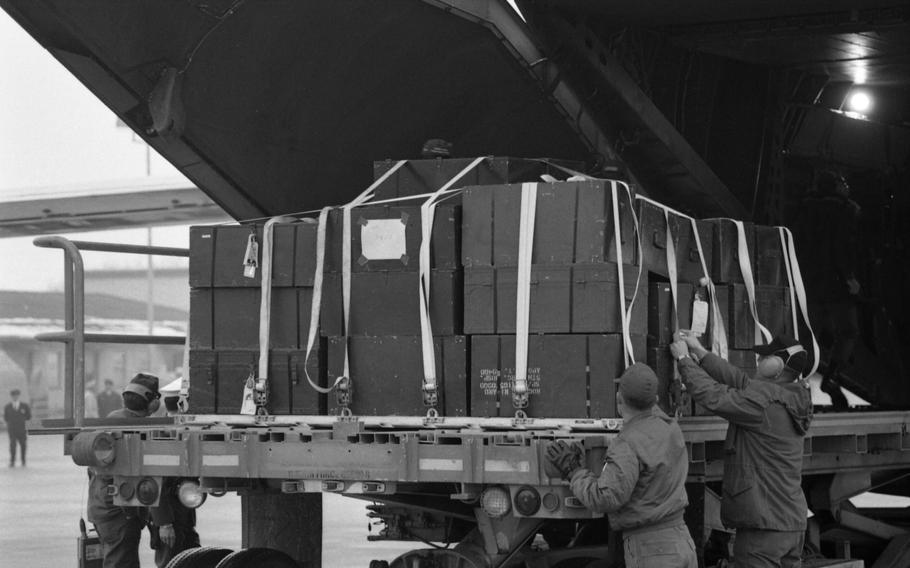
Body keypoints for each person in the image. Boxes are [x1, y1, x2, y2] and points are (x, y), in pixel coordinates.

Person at [671, 333, 812, 567]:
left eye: (764, 357)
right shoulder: (790, 396)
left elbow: (713, 395)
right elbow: (740, 380)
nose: (758, 360)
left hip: (765, 529)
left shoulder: (763, 406)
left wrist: (684, 359)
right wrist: (701, 353)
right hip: (789, 524)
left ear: (776, 365)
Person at [545, 363, 697, 567]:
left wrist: (574, 472)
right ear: (656, 400)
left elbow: (606, 498)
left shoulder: (627, 444)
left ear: (619, 400)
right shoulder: (671, 428)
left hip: (652, 551)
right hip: (682, 542)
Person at [798, 170, 861, 410]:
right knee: (848, 331)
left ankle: (798, 385)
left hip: (810, 284)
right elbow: (842, 247)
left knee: (807, 335)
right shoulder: (846, 211)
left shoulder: (805, 209)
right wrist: (849, 277)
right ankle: (832, 376)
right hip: (836, 285)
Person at [88, 373, 160, 568]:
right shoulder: (138, 427)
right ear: (152, 402)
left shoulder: (113, 419)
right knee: (121, 562)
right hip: (119, 511)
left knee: (121, 560)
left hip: (103, 506)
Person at [149, 379, 200, 567]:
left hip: (182, 513)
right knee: (169, 562)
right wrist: (164, 523)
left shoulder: (182, 431)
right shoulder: (159, 434)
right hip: (169, 515)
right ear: (183, 404)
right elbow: (153, 483)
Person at [4, 388, 31, 467]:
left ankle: (23, 460)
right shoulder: (7, 407)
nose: (15, 397)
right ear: (11, 397)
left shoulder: (24, 406)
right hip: (12, 430)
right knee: (12, 445)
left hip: (22, 429)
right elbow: (6, 418)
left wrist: (22, 422)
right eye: (13, 396)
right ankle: (12, 461)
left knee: (23, 445)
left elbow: (28, 416)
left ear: (18, 396)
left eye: (16, 395)